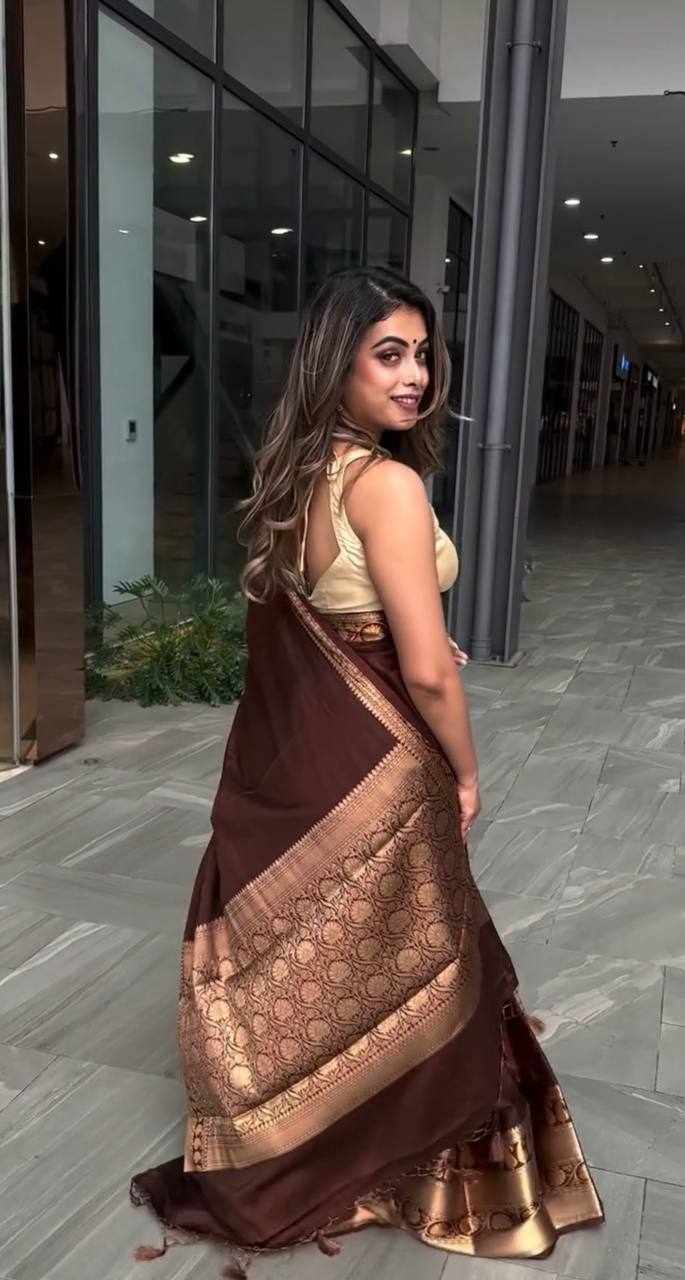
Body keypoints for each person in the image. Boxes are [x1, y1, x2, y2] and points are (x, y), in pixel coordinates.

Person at [129, 266, 604, 1275]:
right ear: (333, 363)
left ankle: (306, 1132)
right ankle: (419, 1163)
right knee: (419, 956)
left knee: (338, 956)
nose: (415, 374)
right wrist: (465, 771)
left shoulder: (297, 474)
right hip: (383, 754)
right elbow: (426, 672)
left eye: (423, 353)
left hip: (318, 743)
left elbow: (335, 617)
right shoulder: (386, 485)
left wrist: (391, 640)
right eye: (388, 354)